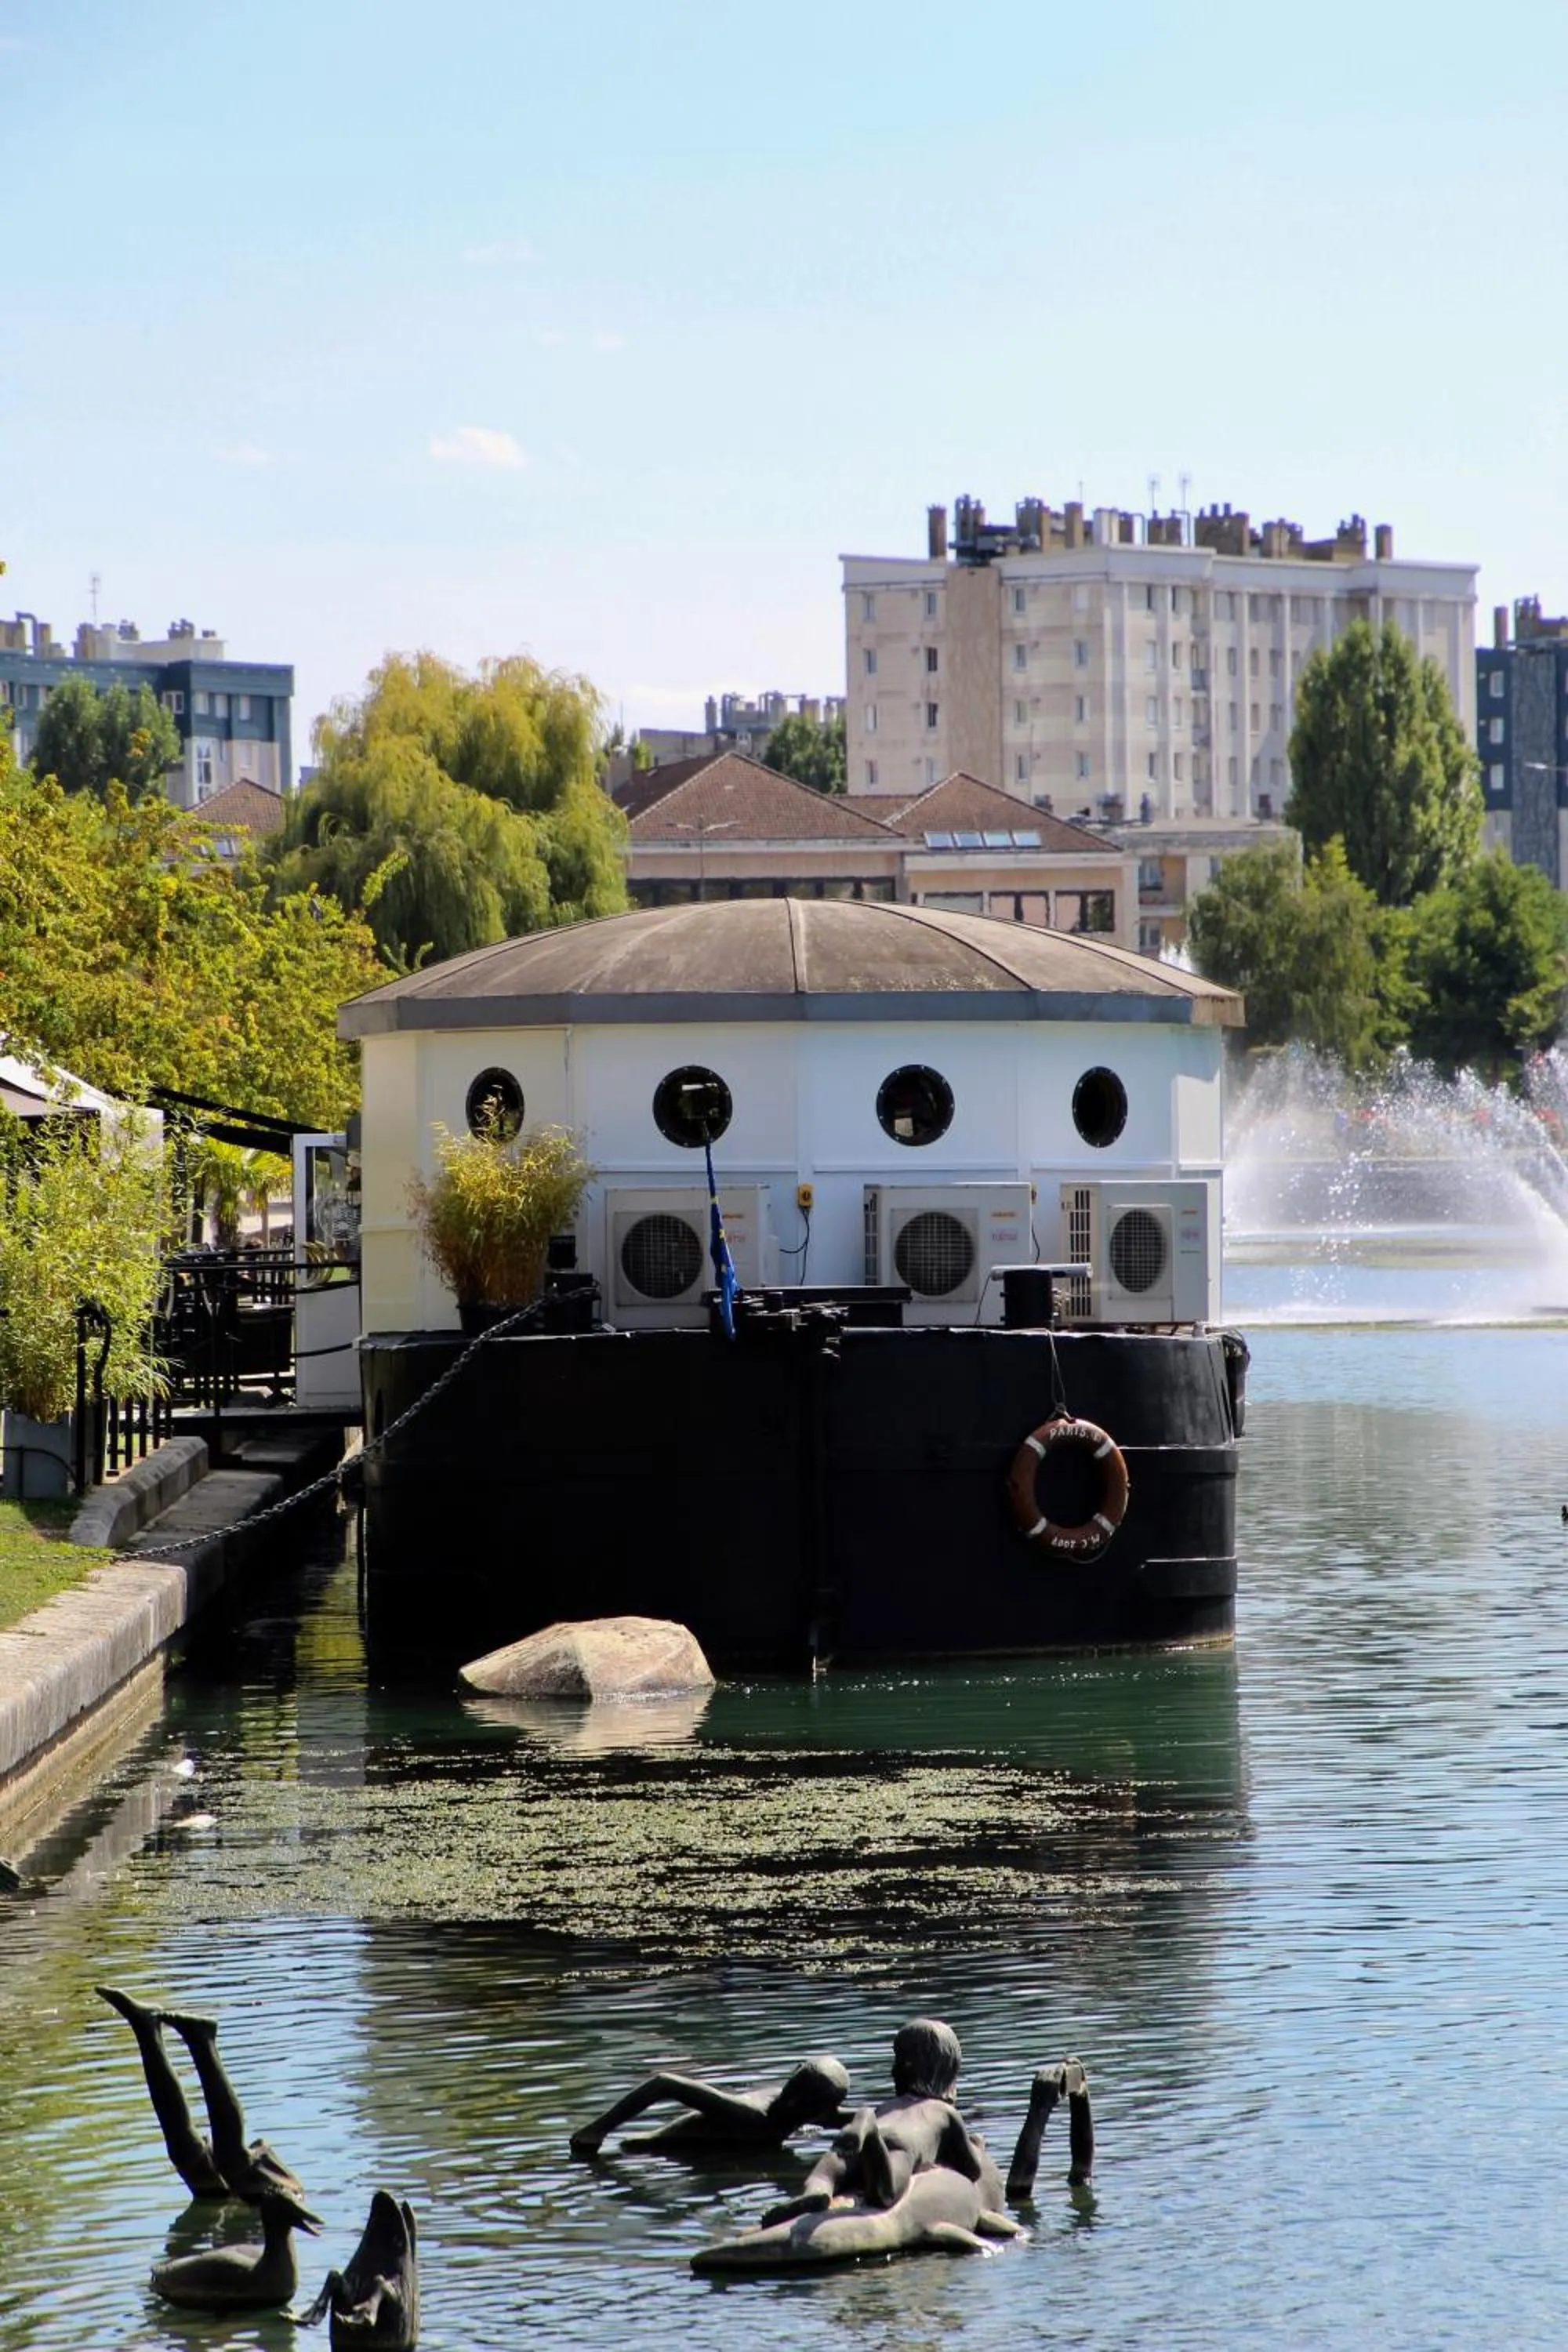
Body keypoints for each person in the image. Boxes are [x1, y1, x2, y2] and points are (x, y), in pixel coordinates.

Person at [760, 2018, 999, 2225]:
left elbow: (830, 2119)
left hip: (867, 2130)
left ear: (907, 2067)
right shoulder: (945, 2114)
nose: (892, 2071)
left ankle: (815, 2193)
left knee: (827, 2173)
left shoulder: (888, 2107)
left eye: (897, 2062)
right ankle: (870, 2135)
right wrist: (976, 2146)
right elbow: (971, 2169)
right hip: (898, 2145)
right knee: (885, 2194)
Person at [96, 1987, 303, 2204]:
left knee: (184, 2152)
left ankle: (146, 2027)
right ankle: (202, 2041)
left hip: (236, 2211)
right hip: (279, 2199)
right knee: (232, 2159)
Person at [570, 2053, 850, 2157]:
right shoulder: (757, 2118)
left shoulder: (790, 2109)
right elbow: (664, 2083)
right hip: (643, 2151)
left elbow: (847, 2117)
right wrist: (596, 2131)